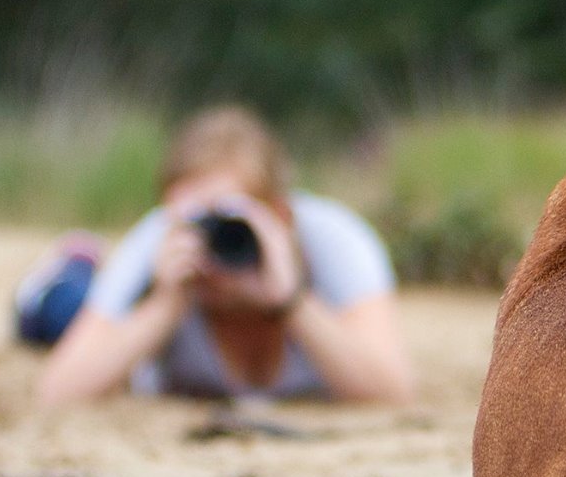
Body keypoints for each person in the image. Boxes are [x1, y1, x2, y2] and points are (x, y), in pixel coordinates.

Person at [33, 107, 415, 407]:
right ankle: (75, 264)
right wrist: (165, 305)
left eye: (228, 221)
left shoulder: (336, 240)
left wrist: (291, 300)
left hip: (294, 281)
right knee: (59, 309)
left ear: (279, 216)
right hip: (96, 298)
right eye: (194, 223)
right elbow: (57, 391)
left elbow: (392, 391)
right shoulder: (156, 239)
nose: (209, 241)